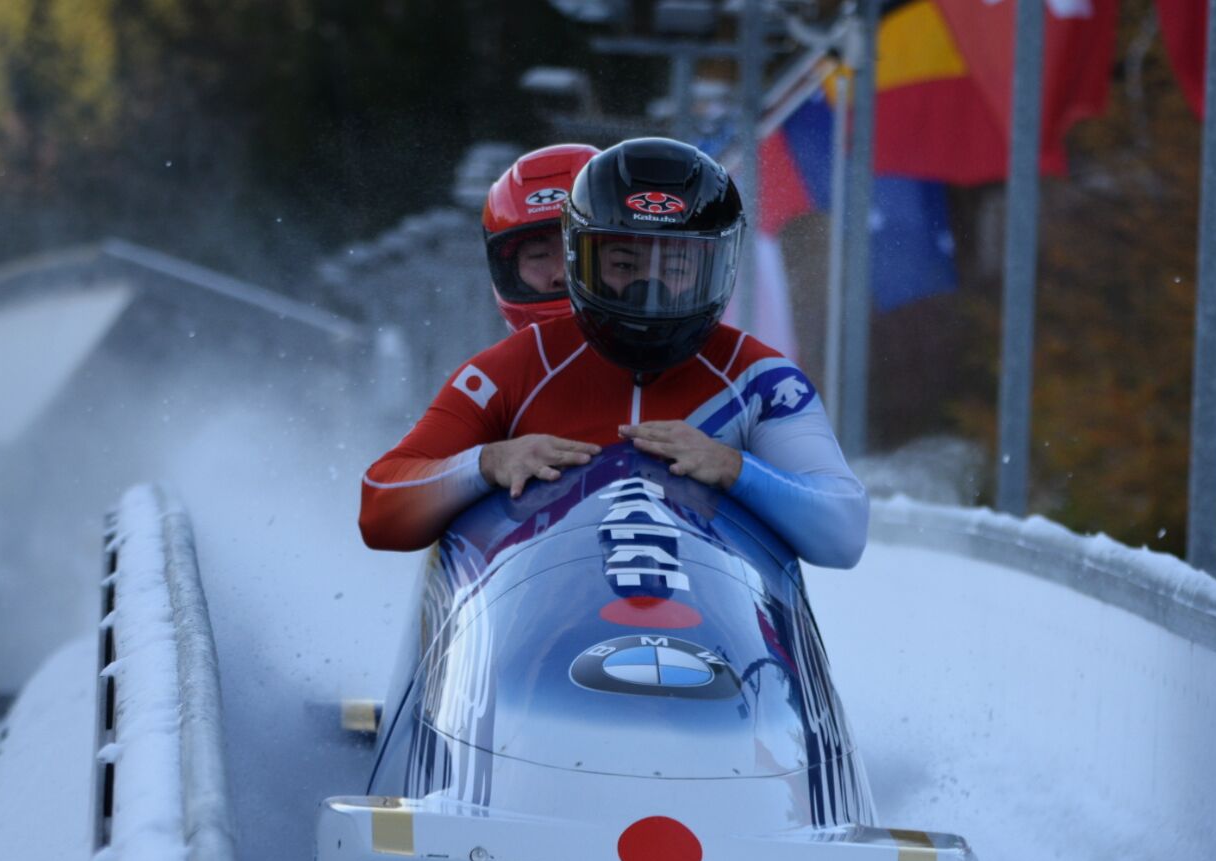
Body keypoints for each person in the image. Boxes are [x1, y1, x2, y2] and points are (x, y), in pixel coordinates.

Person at [360, 137, 868, 569]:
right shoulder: (513, 368)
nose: (648, 290)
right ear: (591, 261)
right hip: (540, 632)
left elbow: (843, 532)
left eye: (674, 267)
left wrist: (735, 468)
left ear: (715, 269)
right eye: (624, 263)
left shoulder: (760, 378)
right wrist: (487, 463)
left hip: (712, 627)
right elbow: (380, 507)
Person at [482, 143, 599, 333]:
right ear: (510, 271)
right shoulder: (494, 363)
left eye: (580, 250)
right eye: (539, 255)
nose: (562, 274)